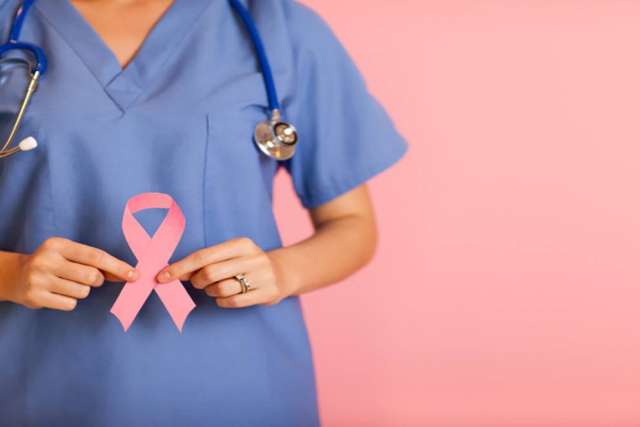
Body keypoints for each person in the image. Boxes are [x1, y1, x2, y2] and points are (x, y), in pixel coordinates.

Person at [0, 0, 408, 425]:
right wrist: (11, 274)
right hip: (41, 389)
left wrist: (282, 270)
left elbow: (352, 226)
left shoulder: (278, 27)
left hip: (241, 386)